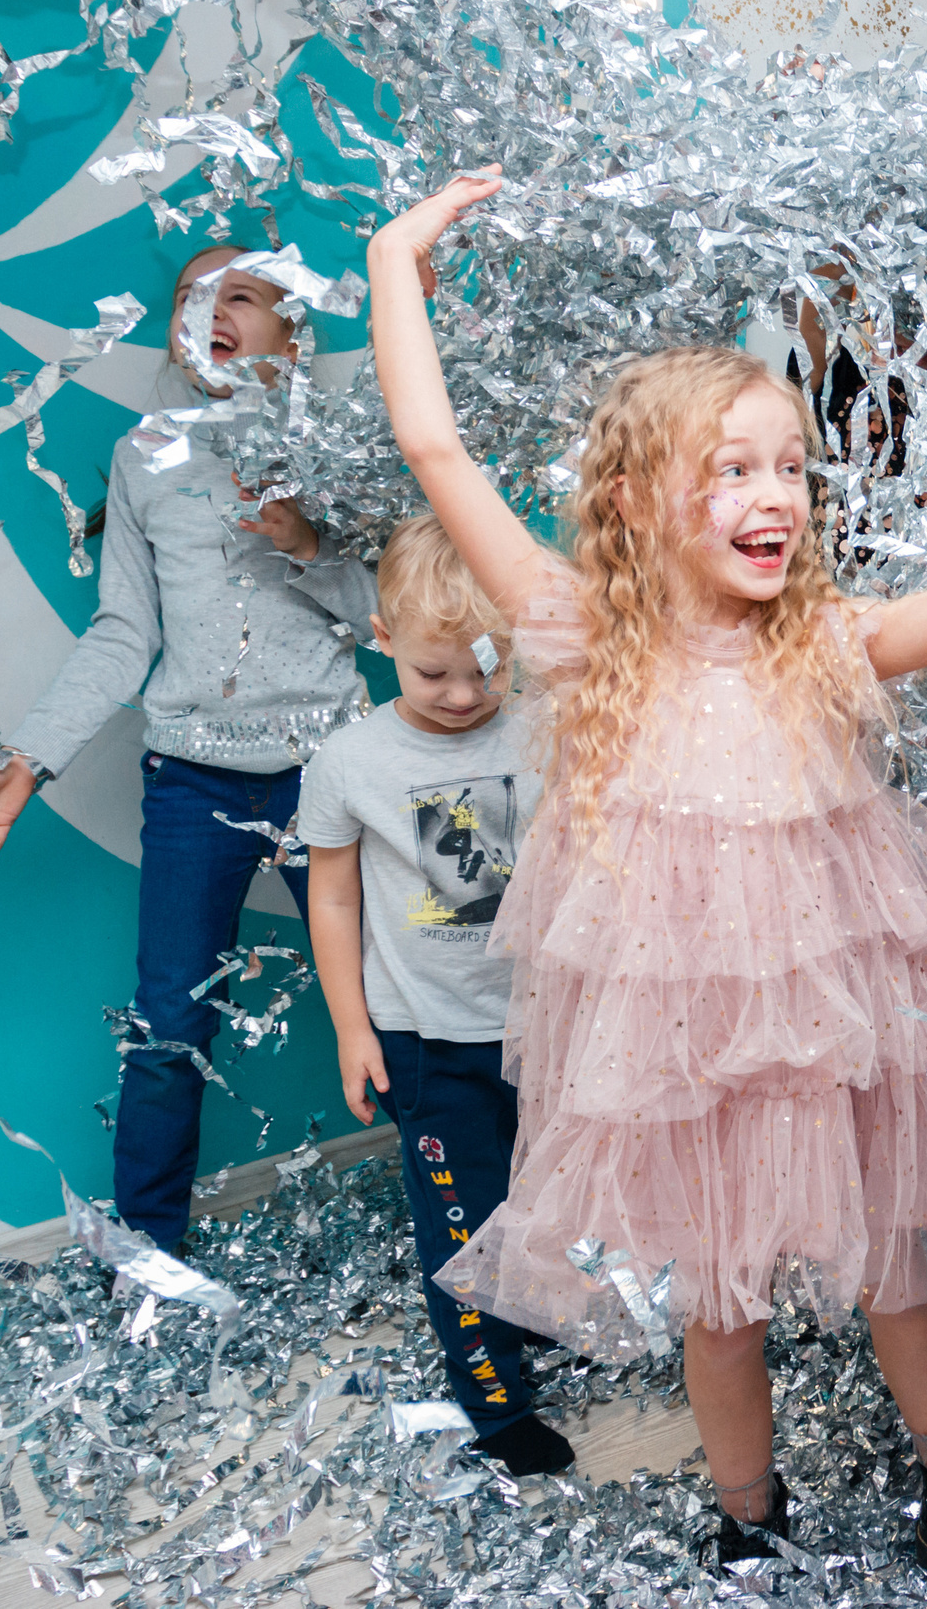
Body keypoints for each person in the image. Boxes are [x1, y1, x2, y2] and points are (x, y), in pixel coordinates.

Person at [362, 166, 927, 1581]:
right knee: (715, 1294)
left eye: (788, 464)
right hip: (685, 1050)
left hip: (841, 1024)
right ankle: (747, 1511)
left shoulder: (827, 639)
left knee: (893, 1263)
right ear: (633, 498)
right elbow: (434, 449)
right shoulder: (580, 640)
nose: (773, 493)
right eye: (730, 468)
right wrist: (391, 259)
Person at [0, 245, 378, 1255]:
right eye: (188, 296)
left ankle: (471, 1220)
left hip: (333, 770)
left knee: (398, 992)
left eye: (242, 297)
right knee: (169, 1025)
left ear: (291, 331)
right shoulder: (141, 460)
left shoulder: (335, 445)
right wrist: (25, 763)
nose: (209, 310)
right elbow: (124, 634)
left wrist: (307, 540)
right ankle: (150, 1261)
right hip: (192, 777)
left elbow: (394, 615)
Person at [299, 512, 570, 1479]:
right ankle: (495, 1407)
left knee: (539, 1203)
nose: (463, 695)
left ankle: (529, 1321)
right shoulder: (349, 763)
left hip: (545, 1030)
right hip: (426, 1041)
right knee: (461, 1219)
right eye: (432, 673)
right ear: (383, 642)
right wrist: (350, 1025)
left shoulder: (548, 731)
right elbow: (329, 894)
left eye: (487, 668)